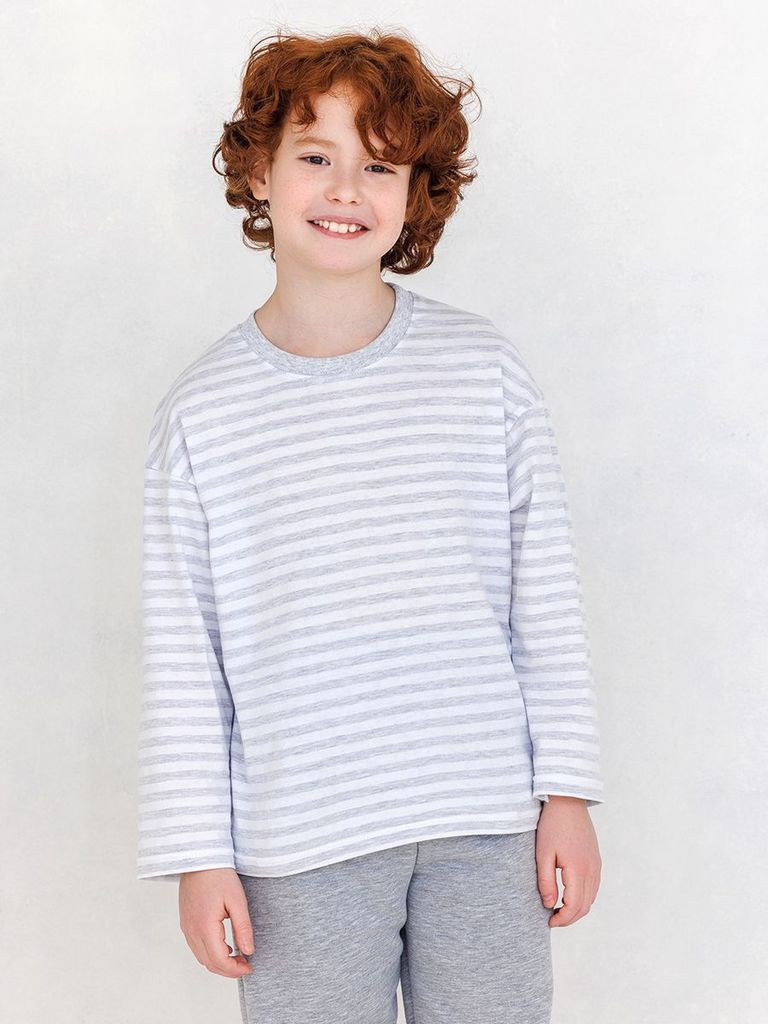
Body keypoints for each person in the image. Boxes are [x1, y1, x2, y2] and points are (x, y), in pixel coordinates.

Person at [137, 26, 605, 1024]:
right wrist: (199, 854)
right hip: (300, 839)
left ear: (414, 194)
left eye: (380, 165)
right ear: (259, 174)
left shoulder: (483, 372)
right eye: (316, 157)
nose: (346, 189)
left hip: (485, 820)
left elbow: (546, 599)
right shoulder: (203, 414)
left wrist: (567, 792)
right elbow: (185, 654)